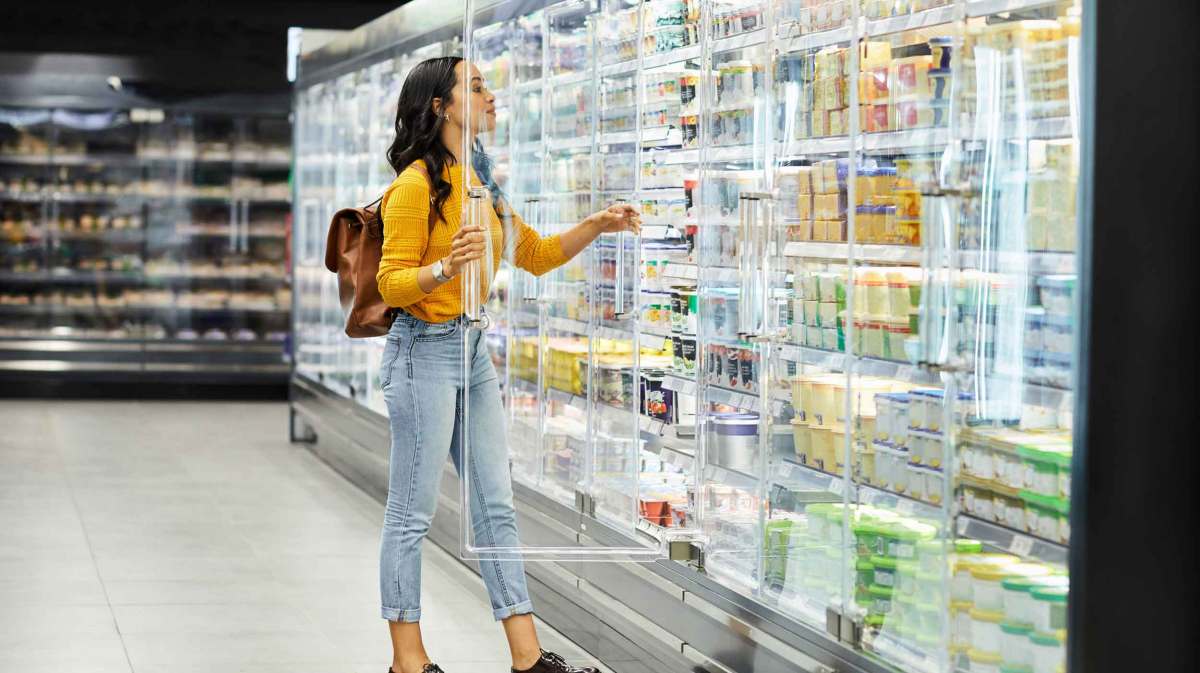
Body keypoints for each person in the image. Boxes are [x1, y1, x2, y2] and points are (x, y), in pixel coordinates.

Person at [374, 56, 640, 673]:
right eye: (476, 86)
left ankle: (528, 659)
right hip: (422, 352)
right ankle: (407, 661)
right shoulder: (414, 187)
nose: (491, 96)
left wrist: (599, 224)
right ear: (439, 106)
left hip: (472, 352)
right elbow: (391, 285)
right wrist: (446, 267)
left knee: (495, 505)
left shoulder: (481, 186)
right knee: (411, 512)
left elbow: (538, 255)